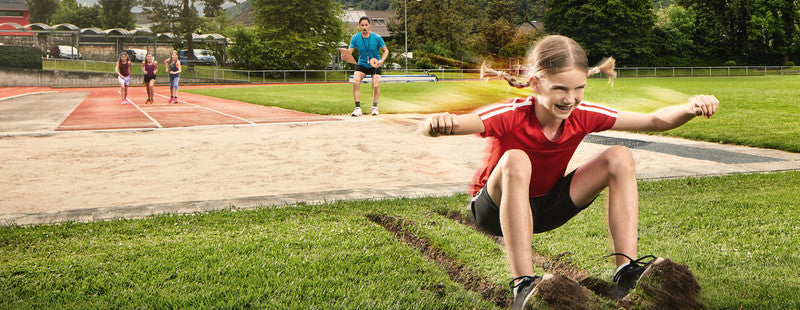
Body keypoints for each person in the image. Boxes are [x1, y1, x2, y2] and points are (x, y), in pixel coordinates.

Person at [422, 35, 719, 309]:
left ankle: (625, 270)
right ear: (536, 84)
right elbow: (454, 124)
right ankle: (523, 285)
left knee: (619, 156)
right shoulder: (511, 115)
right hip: (493, 210)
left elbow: (655, 120)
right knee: (516, 159)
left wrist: (690, 107)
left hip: (547, 205)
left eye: (579, 88)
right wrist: (437, 124)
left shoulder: (582, 114)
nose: (570, 98)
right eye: (560, 88)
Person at [344, 16, 389, 116]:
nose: (364, 27)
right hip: (362, 64)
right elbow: (349, 52)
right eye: (362, 25)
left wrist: (381, 61)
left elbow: (386, 51)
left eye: (366, 25)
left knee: (376, 85)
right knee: (355, 82)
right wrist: (345, 56)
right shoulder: (355, 37)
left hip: (375, 64)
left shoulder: (377, 37)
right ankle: (357, 108)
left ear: (370, 25)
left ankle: (374, 107)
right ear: (359, 26)